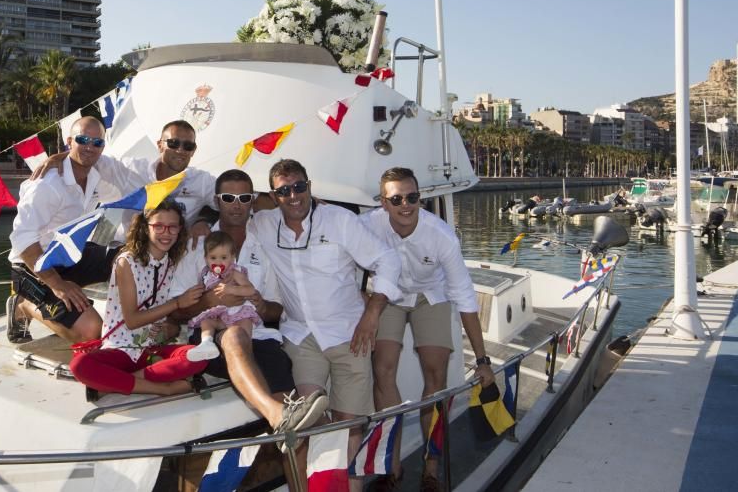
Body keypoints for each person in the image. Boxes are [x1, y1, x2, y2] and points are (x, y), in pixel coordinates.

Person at [248, 159, 402, 488]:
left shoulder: (340, 220)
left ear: (309, 187)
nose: (293, 196)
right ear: (274, 196)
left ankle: (345, 485)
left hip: (350, 333)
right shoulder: (262, 224)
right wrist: (202, 231)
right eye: (284, 190)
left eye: (299, 187)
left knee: (349, 427)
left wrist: (372, 313)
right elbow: (232, 219)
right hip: (301, 335)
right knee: (307, 418)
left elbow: (387, 259)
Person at [170, 168, 328, 445]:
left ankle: (287, 427)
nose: (237, 204)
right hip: (211, 341)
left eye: (244, 197)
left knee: (300, 431)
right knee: (233, 336)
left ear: (253, 200)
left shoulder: (263, 243)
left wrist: (259, 304)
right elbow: (175, 309)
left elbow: (276, 309)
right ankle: (277, 416)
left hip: (260, 336)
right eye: (229, 197)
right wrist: (211, 300)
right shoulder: (197, 245)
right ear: (217, 200)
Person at [360, 167, 495, 490]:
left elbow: (464, 298)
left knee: (435, 375)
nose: (405, 205)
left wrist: (482, 360)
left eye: (412, 197)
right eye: (396, 199)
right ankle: (390, 464)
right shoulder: (366, 225)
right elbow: (328, 223)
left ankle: (431, 466)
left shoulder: (441, 236)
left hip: (430, 296)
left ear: (420, 198)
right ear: (383, 202)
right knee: (383, 370)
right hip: (387, 296)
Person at [69, 200, 209, 396]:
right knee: (80, 365)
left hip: (151, 348)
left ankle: (119, 381)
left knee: (199, 357)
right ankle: (161, 389)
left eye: (172, 227)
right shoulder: (126, 261)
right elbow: (132, 320)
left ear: (180, 230)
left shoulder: (171, 262)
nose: (166, 232)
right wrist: (177, 303)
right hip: (122, 348)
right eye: (158, 226)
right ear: (145, 227)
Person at [7, 117, 127, 344]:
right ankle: (24, 306)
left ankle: (126, 321)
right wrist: (57, 284)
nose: (90, 147)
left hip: (70, 255)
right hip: (34, 266)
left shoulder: (96, 174)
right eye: (83, 140)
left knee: (130, 259)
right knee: (91, 332)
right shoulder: (47, 185)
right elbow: (22, 239)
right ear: (69, 141)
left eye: (97, 142)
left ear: (103, 146)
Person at [36, 119, 216, 235]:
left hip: (176, 258)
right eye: (174, 143)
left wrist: (204, 220)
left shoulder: (201, 182)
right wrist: (60, 156)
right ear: (160, 145)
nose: (180, 150)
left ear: (193, 151)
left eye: (188, 146)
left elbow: (233, 201)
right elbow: (89, 155)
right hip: (130, 254)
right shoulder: (131, 170)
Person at [185, 230, 262, 361]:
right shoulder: (206, 274)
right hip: (218, 315)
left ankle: (246, 349)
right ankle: (206, 343)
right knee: (206, 321)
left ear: (232, 257)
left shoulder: (235, 273)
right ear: (206, 258)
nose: (219, 262)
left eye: (224, 258)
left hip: (237, 313)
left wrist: (232, 289)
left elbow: (250, 290)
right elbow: (204, 293)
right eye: (213, 258)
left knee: (246, 322)